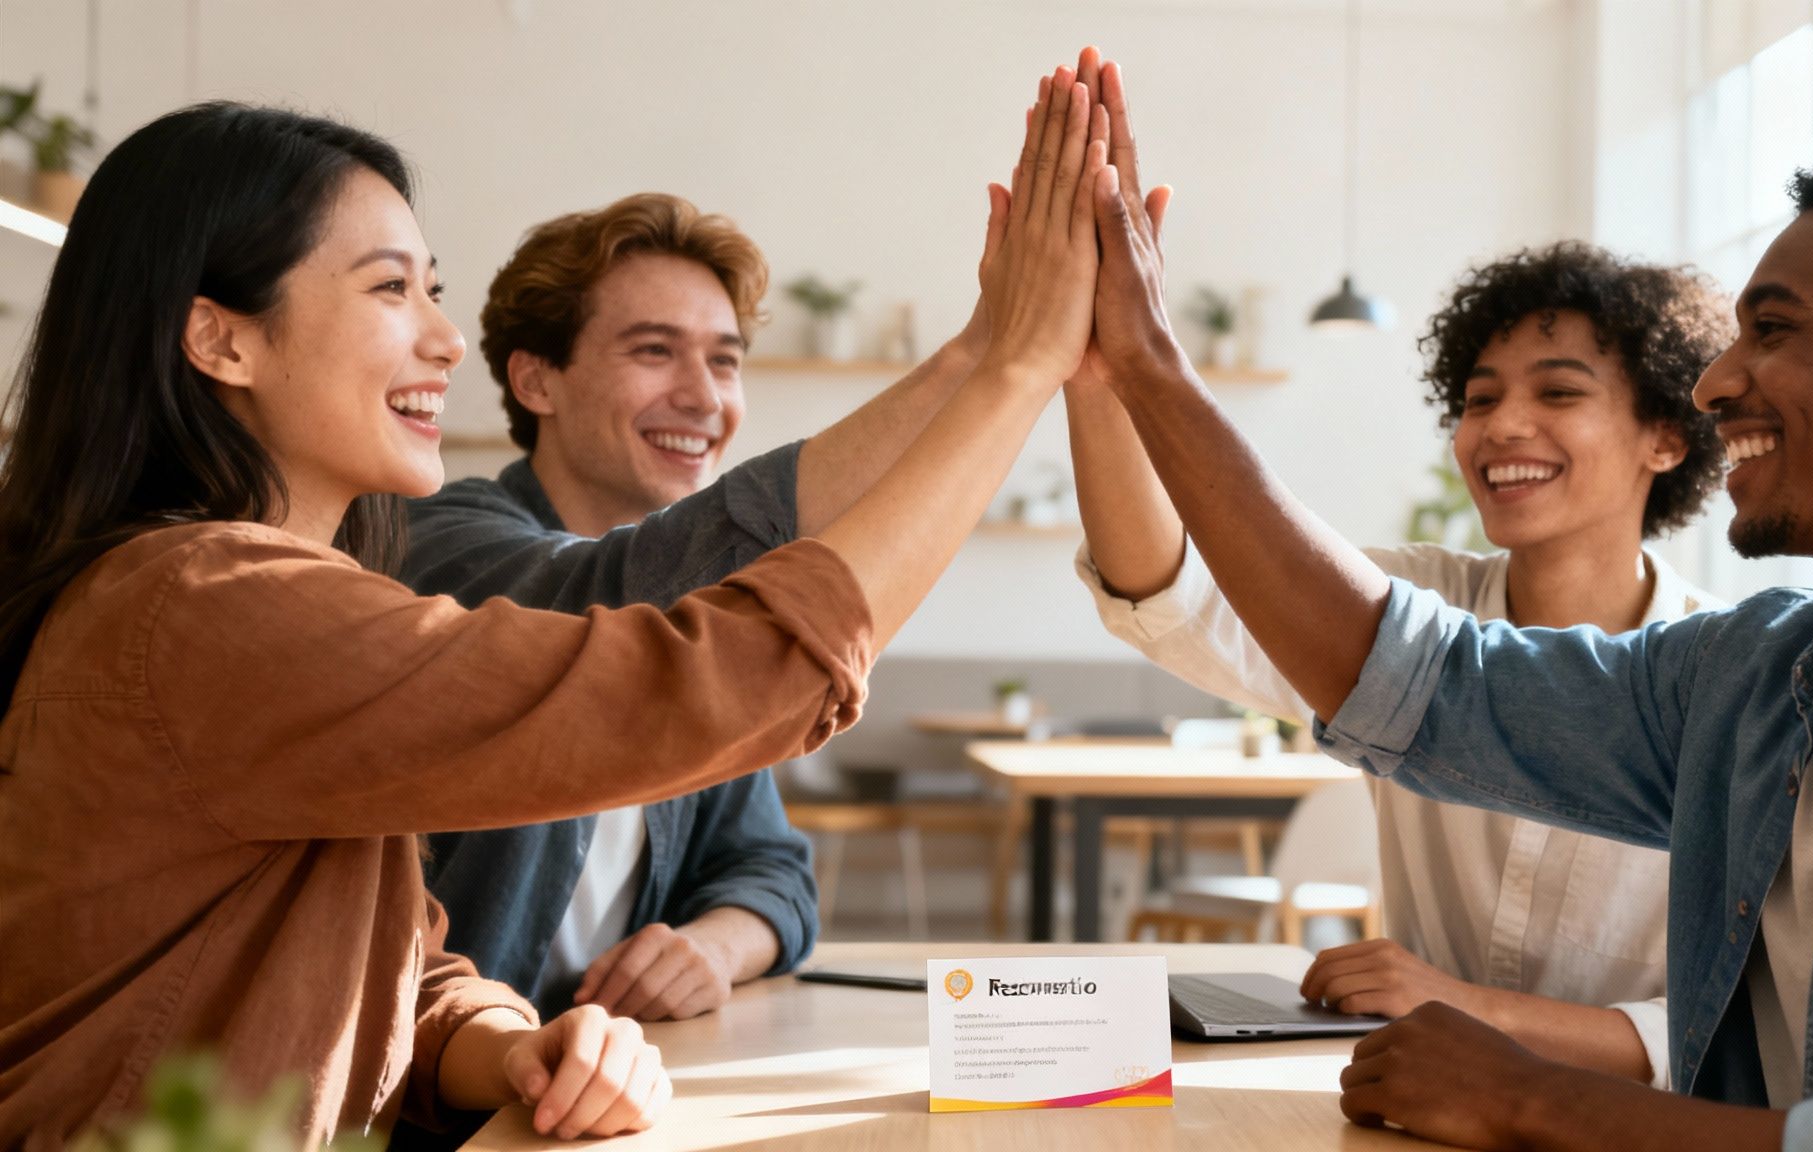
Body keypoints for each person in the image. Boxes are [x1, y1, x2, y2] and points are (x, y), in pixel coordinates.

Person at [0, 67, 1110, 1149]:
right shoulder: (206, 606)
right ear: (220, 339)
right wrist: (1009, 371)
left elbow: (383, 960)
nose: (441, 339)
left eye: (431, 288)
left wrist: (509, 1044)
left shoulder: (228, 597)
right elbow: (683, 677)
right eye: (391, 290)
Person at [1078, 108, 1813, 1149]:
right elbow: (1417, 683)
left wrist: (1522, 1095)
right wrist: (1135, 366)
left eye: (1770, 330)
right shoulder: (1752, 678)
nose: (1717, 382)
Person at [1070, 237, 1730, 1087]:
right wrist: (1093, 377)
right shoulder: (1406, 605)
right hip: (1416, 1110)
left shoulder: (1729, 676)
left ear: (1668, 439)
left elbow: (1727, 1028)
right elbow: (1172, 596)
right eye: (1478, 398)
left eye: (1559, 391)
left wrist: (1460, 1005)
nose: (1501, 426)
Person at [400, 191, 1004, 1026]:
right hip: (433, 1119)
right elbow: (596, 600)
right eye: (655, 351)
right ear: (536, 378)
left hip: (601, 1091)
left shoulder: (695, 615)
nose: (704, 397)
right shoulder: (443, 543)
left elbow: (772, 870)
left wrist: (714, 945)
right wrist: (984, 353)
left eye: (724, 361)